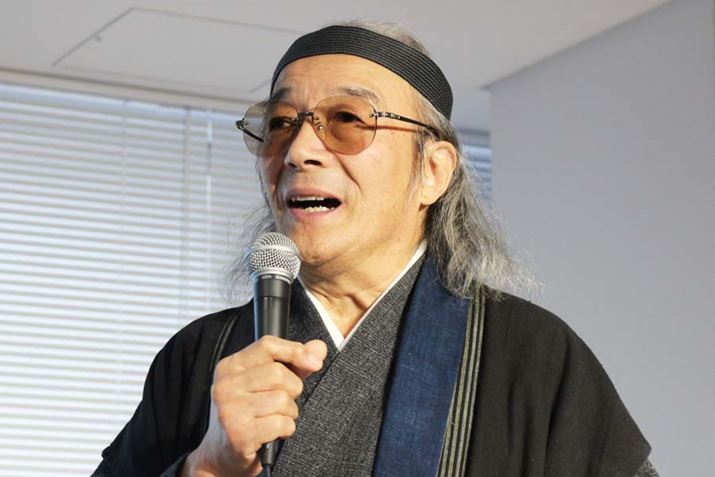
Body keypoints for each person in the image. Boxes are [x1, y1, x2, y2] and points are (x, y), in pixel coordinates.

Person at [92, 20, 657, 477]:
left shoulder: (533, 355)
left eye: (347, 119)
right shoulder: (201, 355)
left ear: (432, 171)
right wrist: (207, 467)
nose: (299, 150)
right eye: (282, 123)